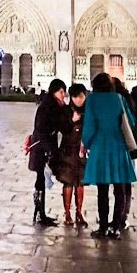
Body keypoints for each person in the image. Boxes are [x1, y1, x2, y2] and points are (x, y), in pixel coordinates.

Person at [81, 72, 137, 240]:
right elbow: (131, 122)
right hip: (118, 147)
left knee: (102, 190)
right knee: (119, 189)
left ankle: (103, 227)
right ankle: (116, 227)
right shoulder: (118, 98)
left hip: (100, 148)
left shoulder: (92, 99)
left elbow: (89, 125)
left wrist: (86, 143)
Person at [28, 78, 67, 226]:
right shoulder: (48, 106)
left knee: (41, 180)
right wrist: (49, 151)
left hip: (43, 147)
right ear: (54, 91)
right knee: (40, 180)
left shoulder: (53, 105)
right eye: (61, 92)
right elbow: (42, 129)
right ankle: (39, 213)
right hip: (42, 149)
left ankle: (40, 212)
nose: (64, 95)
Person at [52, 82, 88, 227]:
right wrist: (71, 121)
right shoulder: (65, 110)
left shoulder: (88, 111)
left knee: (80, 183)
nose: (78, 100)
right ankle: (67, 213)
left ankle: (79, 212)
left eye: (80, 97)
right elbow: (62, 128)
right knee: (68, 182)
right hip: (68, 150)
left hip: (82, 151)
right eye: (75, 97)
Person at [112, 77, 137, 230]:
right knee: (124, 182)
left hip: (125, 147)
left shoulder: (121, 101)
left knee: (123, 183)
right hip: (129, 147)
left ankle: (122, 217)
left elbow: (129, 123)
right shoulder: (127, 98)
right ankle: (122, 216)